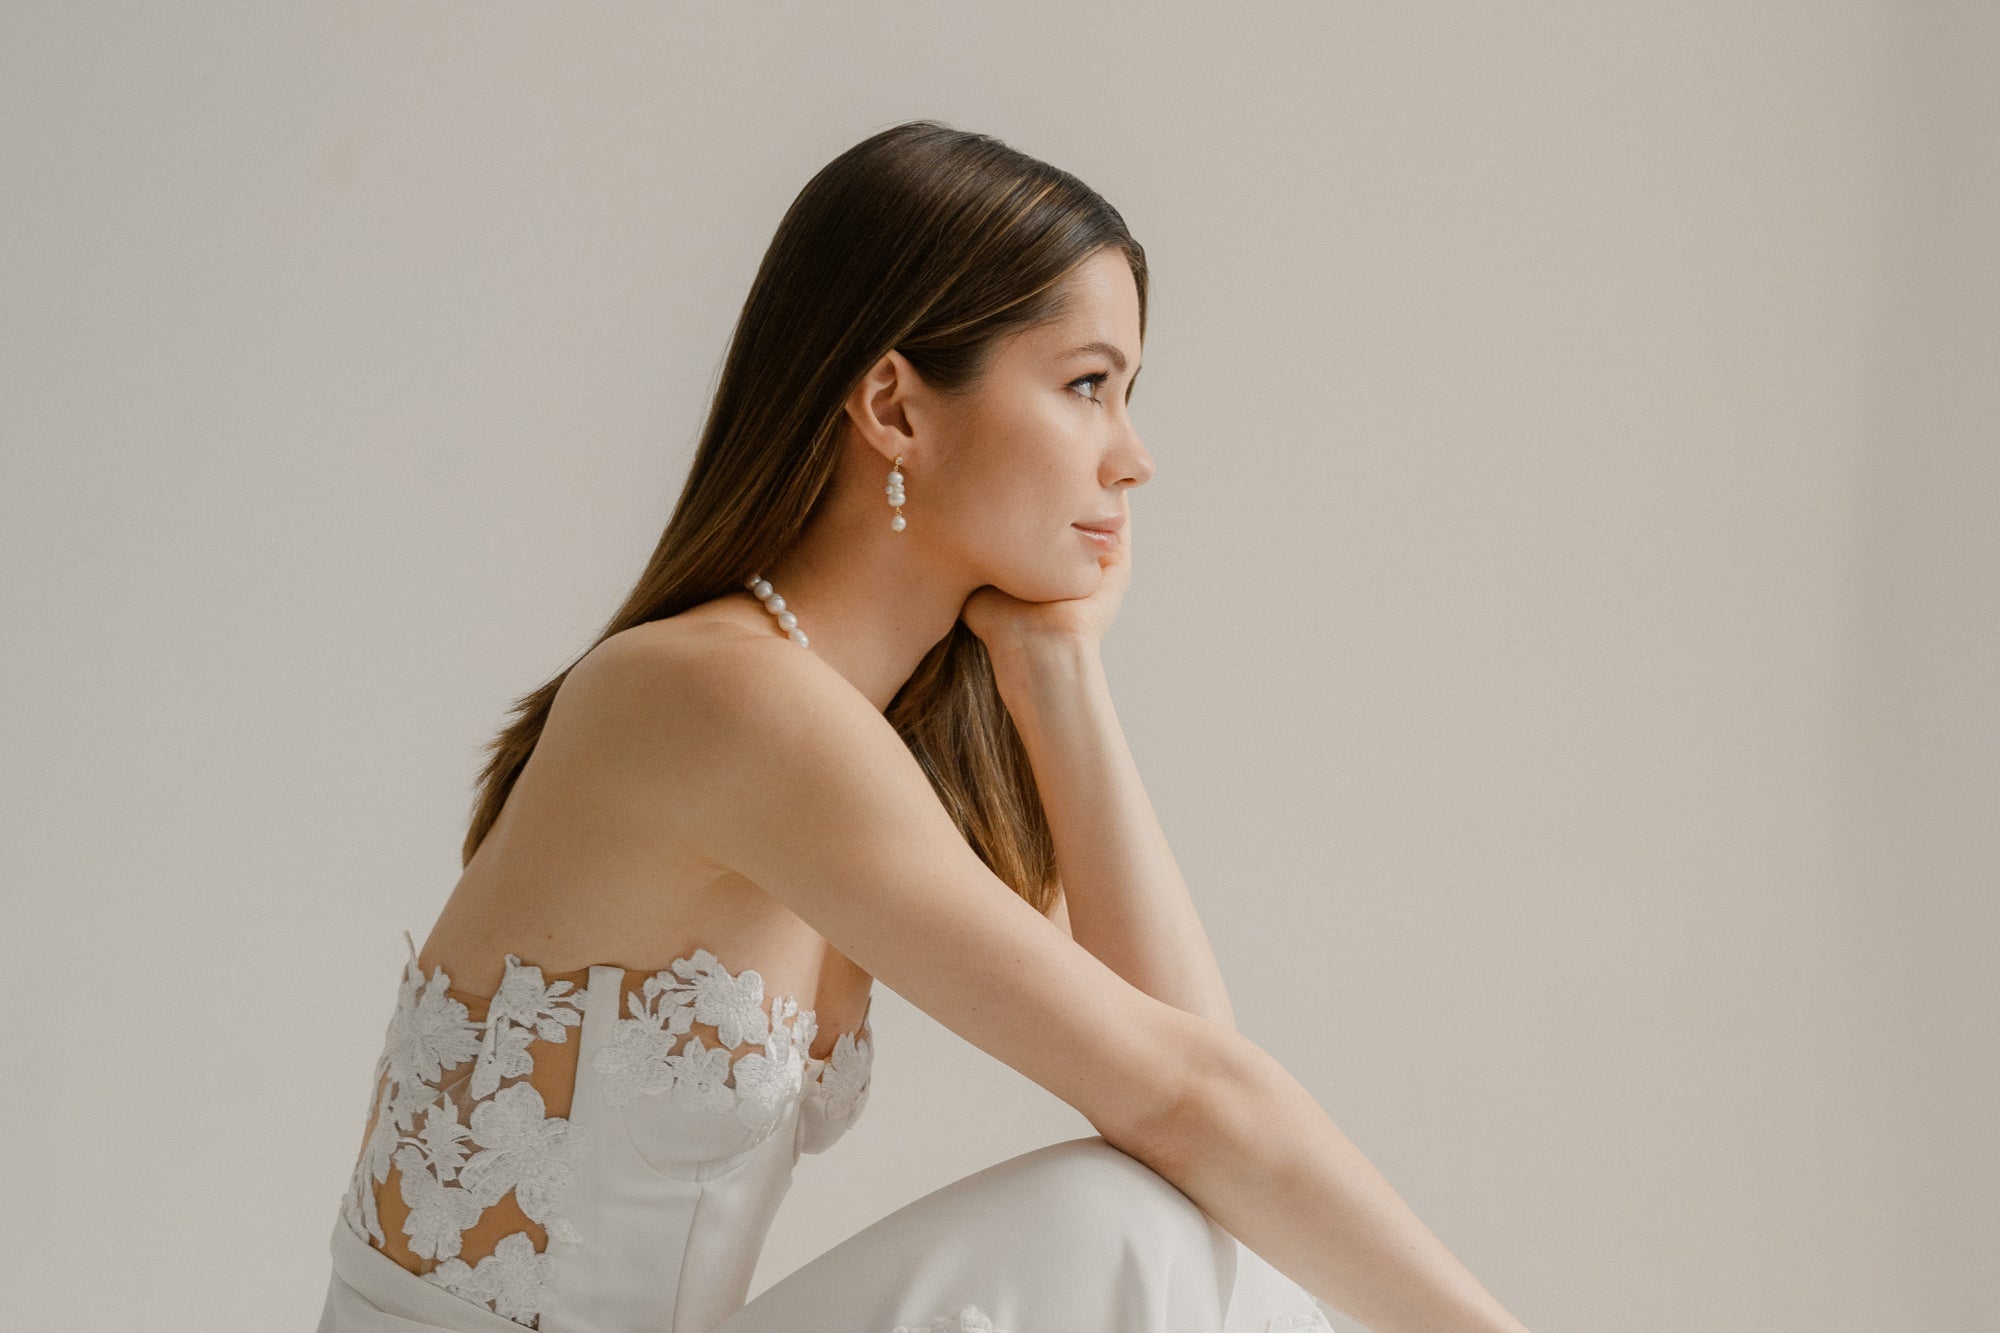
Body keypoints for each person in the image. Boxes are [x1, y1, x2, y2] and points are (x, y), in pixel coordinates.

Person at [316, 119, 1535, 1333]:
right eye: (1085, 385)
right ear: (894, 408)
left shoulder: (869, 737)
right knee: (1109, 1230)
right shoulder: (714, 698)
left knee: (1164, 1224)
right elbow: (1196, 1110)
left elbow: (1205, 1127)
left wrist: (1056, 671)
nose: (1135, 459)